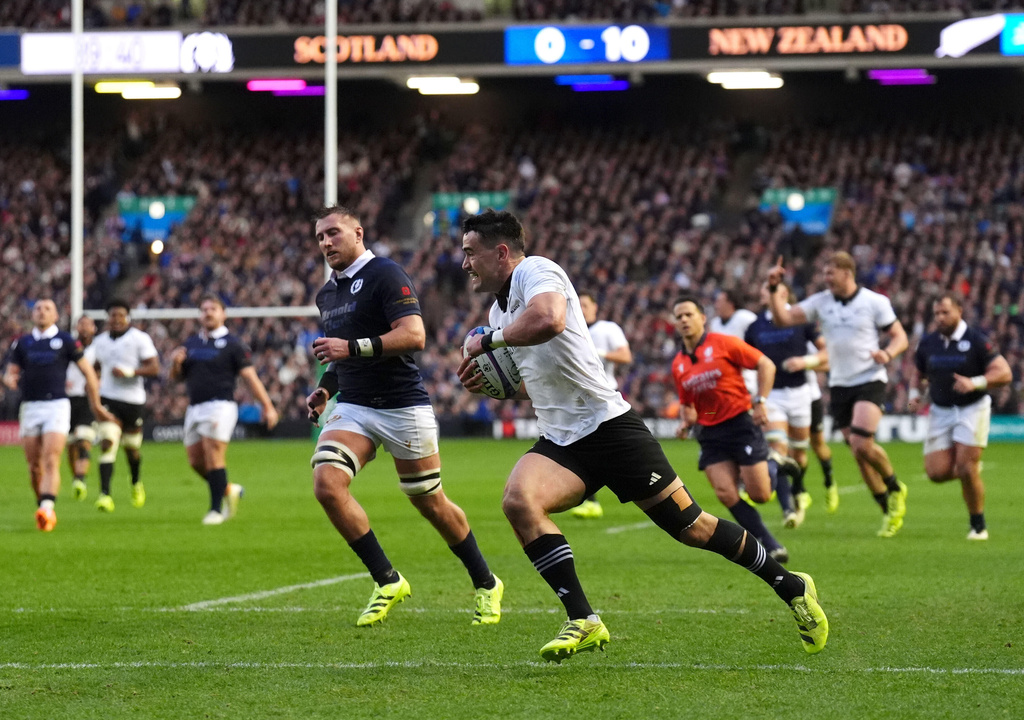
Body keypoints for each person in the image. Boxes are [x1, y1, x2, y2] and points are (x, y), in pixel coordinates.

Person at [459, 209, 827, 662]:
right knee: (519, 500)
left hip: (611, 429)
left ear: (501, 252)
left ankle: (790, 585)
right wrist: (498, 388)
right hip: (561, 439)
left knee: (693, 527)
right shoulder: (500, 309)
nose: (464, 263)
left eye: (470, 253)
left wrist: (490, 342)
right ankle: (584, 619)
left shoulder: (537, 271)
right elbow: (536, 379)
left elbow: (551, 319)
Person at [305, 204, 503, 628]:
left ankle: (486, 582)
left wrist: (350, 349)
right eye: (320, 236)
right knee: (326, 481)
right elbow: (339, 355)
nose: (325, 243)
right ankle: (387, 579)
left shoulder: (386, 274)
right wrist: (325, 388)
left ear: (358, 233)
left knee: (430, 502)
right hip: (354, 407)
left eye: (333, 233)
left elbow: (414, 336)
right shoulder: (328, 293)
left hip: (401, 405)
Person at [767, 252, 909, 538]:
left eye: (831, 273)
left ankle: (895, 486)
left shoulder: (874, 302)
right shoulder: (821, 302)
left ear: (847, 272)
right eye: (825, 273)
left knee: (860, 441)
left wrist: (887, 353)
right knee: (858, 453)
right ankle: (887, 508)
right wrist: (773, 290)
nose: (826, 278)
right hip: (840, 385)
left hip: (870, 378)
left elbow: (900, 337)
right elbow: (782, 318)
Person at [672, 294, 791, 563]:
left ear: (702, 318)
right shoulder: (678, 363)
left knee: (760, 494)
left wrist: (760, 401)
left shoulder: (723, 343)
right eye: (678, 317)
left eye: (688, 314)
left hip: (740, 424)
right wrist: (685, 422)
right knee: (726, 492)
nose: (683, 320)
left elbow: (765, 364)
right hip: (710, 433)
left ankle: (774, 463)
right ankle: (768, 542)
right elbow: (687, 404)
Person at [908, 294, 1012, 540]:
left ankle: (978, 525)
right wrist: (915, 395)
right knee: (935, 473)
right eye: (936, 314)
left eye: (945, 312)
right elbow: (919, 373)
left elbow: (1004, 372)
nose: (940, 318)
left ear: (959, 311)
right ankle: (971, 467)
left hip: (972, 408)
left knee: (966, 467)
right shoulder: (928, 343)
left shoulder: (976, 340)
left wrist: (975, 382)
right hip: (940, 410)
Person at [2, 299, 113, 531]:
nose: (42, 312)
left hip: (57, 406)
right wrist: (9, 379)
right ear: (33, 315)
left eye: (47, 309)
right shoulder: (22, 343)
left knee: (52, 458)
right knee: (34, 465)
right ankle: (42, 504)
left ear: (55, 316)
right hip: (30, 407)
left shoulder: (65, 341)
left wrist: (97, 405)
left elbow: (89, 373)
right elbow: (10, 372)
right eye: (38, 309)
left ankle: (47, 509)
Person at [169, 295, 280, 525]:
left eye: (213, 309)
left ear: (223, 314)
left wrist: (267, 406)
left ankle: (215, 510)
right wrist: (176, 364)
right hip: (195, 407)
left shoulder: (233, 344)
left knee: (214, 454)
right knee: (195, 461)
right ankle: (228, 489)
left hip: (220, 406)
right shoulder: (191, 343)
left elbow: (249, 377)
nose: (208, 313)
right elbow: (176, 379)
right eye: (204, 309)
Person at [745, 281, 830, 527]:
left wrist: (805, 362)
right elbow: (749, 360)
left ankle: (799, 488)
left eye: (769, 289)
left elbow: (826, 353)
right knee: (778, 449)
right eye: (764, 289)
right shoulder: (755, 327)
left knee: (799, 454)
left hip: (801, 393)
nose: (764, 292)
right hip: (773, 395)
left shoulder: (800, 319)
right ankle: (787, 507)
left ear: (783, 293)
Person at [90, 298, 160, 512]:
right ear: (107, 318)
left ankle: (136, 483)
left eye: (121, 315)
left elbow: (154, 368)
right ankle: (105, 495)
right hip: (109, 399)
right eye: (113, 315)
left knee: (131, 449)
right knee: (107, 443)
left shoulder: (139, 339)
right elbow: (90, 366)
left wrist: (130, 372)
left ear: (127, 317)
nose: (117, 319)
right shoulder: (100, 341)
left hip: (133, 401)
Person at [570, 290, 632, 520]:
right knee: (581, 448)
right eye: (578, 305)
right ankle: (590, 501)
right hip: (578, 400)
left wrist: (600, 353)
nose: (582, 309)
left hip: (605, 397)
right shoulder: (571, 329)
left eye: (585, 304)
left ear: (596, 307)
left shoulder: (607, 328)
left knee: (610, 450)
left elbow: (625, 356)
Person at [65, 315, 99, 501]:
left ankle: (80, 478)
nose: (84, 328)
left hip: (88, 400)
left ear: (94, 328)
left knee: (83, 440)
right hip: (67, 400)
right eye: (81, 325)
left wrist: (97, 383)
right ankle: (76, 480)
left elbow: (102, 369)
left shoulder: (99, 348)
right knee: (71, 445)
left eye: (88, 325)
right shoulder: (69, 347)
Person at [803, 340, 838, 513]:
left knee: (817, 443)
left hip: (810, 398)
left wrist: (804, 364)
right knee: (786, 445)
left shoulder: (805, 338)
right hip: (781, 399)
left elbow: (827, 362)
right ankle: (799, 490)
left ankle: (829, 482)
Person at [709, 289, 758, 397]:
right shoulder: (715, 324)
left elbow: (759, 336)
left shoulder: (745, 317)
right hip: (725, 376)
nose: (716, 305)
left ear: (730, 303)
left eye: (719, 301)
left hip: (747, 372)